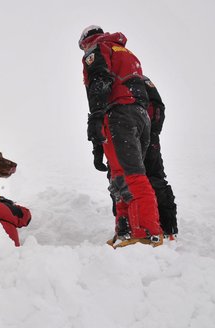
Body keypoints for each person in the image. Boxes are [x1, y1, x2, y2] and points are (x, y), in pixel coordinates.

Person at [78, 25, 163, 247]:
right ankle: (125, 229)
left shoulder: (97, 49)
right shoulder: (127, 53)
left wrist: (96, 117)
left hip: (118, 114)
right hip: (138, 116)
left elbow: (99, 81)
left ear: (86, 41)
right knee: (120, 175)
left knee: (131, 174)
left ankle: (146, 231)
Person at [93, 76, 179, 240]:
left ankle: (167, 227)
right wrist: (98, 147)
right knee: (117, 180)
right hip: (118, 136)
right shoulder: (109, 82)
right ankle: (128, 227)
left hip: (141, 136)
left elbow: (157, 107)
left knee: (152, 178)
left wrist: (152, 134)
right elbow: (101, 114)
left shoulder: (137, 79)